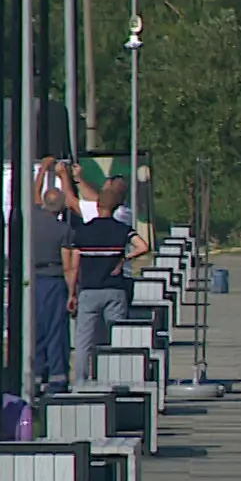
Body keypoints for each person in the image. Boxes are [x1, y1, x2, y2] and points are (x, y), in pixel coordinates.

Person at [69, 175, 149, 385]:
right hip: (115, 290)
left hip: (89, 290)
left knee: (84, 340)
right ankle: (111, 378)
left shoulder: (83, 232)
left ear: (97, 206)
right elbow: (143, 246)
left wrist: (72, 293)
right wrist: (125, 258)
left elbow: (74, 266)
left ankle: (81, 381)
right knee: (115, 337)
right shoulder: (121, 229)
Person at [31, 158, 81, 393]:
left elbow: (34, 194)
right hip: (53, 279)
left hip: (32, 280)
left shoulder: (31, 220)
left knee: (35, 328)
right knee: (55, 331)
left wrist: (43, 169)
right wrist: (72, 292)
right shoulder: (64, 230)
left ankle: (36, 374)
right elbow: (69, 265)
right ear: (61, 208)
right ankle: (57, 379)